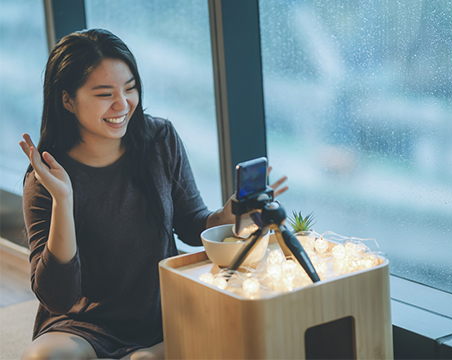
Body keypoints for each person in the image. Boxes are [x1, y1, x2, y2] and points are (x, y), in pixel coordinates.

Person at [19, 29, 288, 360]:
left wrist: (233, 212)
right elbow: (58, 298)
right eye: (104, 94)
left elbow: (193, 224)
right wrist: (64, 200)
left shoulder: (159, 138)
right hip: (85, 324)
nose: (122, 104)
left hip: (163, 310)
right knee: (42, 357)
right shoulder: (45, 179)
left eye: (130, 88)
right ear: (67, 100)